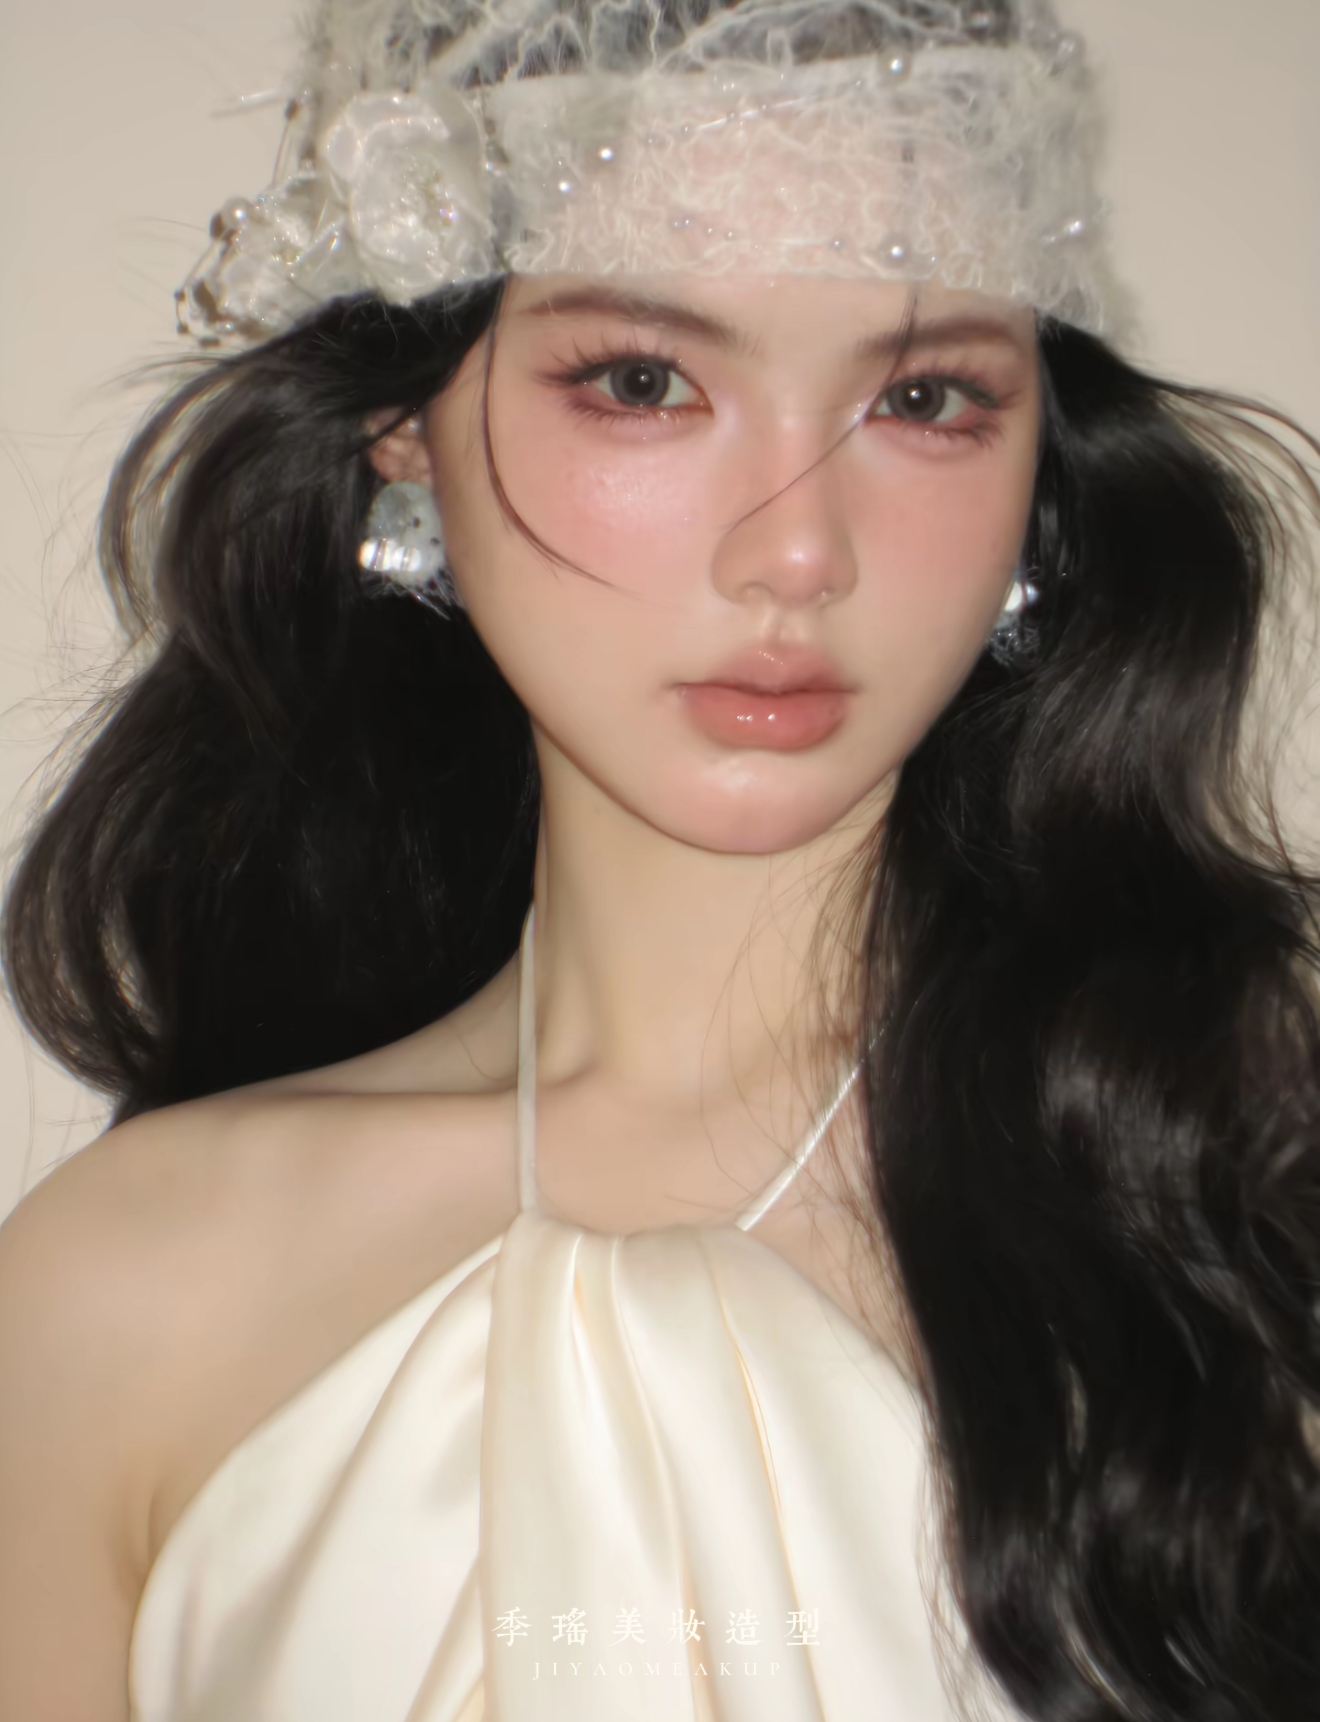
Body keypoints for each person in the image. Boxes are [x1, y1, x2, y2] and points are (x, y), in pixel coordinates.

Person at [1, 0, 1318, 1716]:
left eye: (923, 397)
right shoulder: (122, 1291)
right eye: (643, 382)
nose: (798, 550)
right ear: (404, 423)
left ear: (1040, 468)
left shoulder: (1241, 1202)